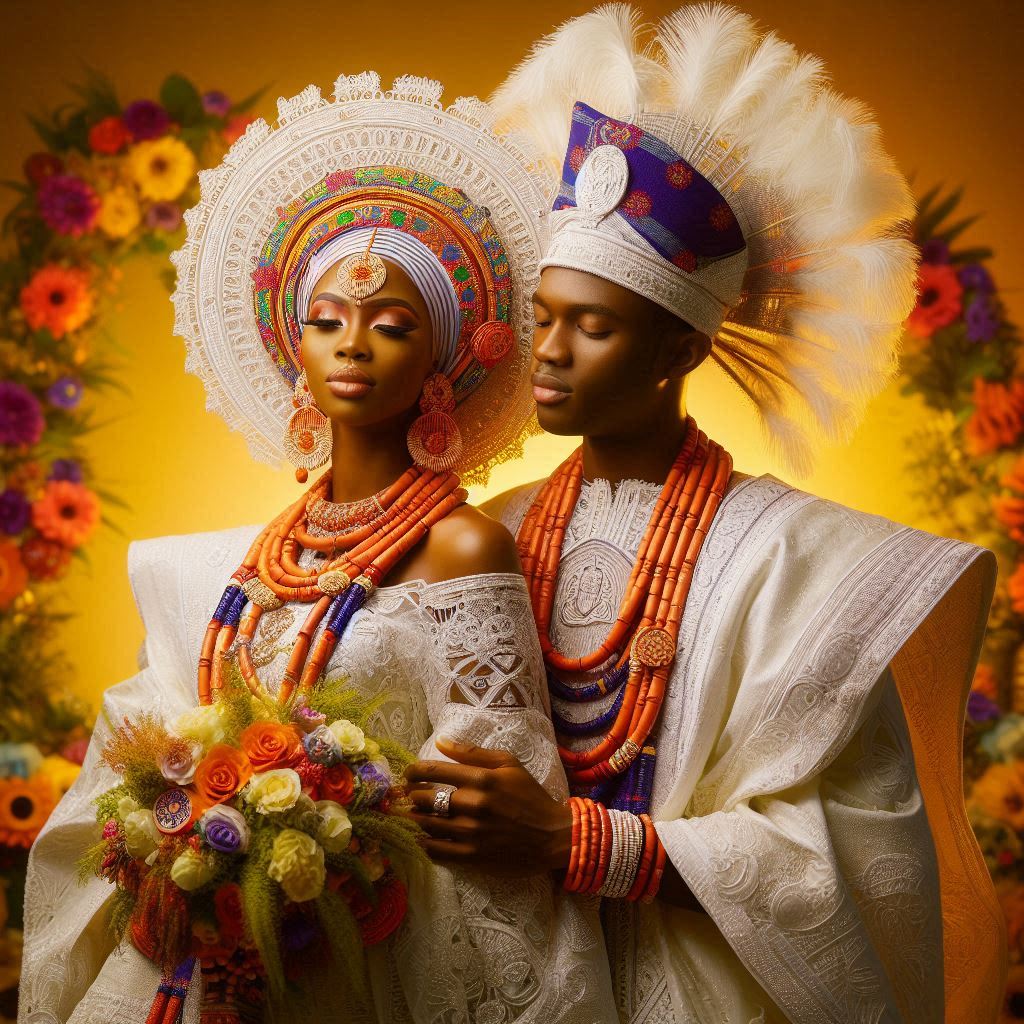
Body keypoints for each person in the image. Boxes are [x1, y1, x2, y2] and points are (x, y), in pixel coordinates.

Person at [405, 7, 1006, 1023]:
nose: (549, 351)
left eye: (592, 327)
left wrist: (577, 841)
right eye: (543, 317)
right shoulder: (488, 533)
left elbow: (858, 856)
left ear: (678, 351)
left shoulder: (798, 567)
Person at [18, 72, 618, 1023]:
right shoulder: (247, 558)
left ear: (444, 358)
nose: (353, 346)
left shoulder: (463, 547)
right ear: (293, 346)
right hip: (205, 950)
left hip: (370, 950)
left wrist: (329, 840)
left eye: (391, 327)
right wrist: (186, 840)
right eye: (328, 322)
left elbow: (493, 806)